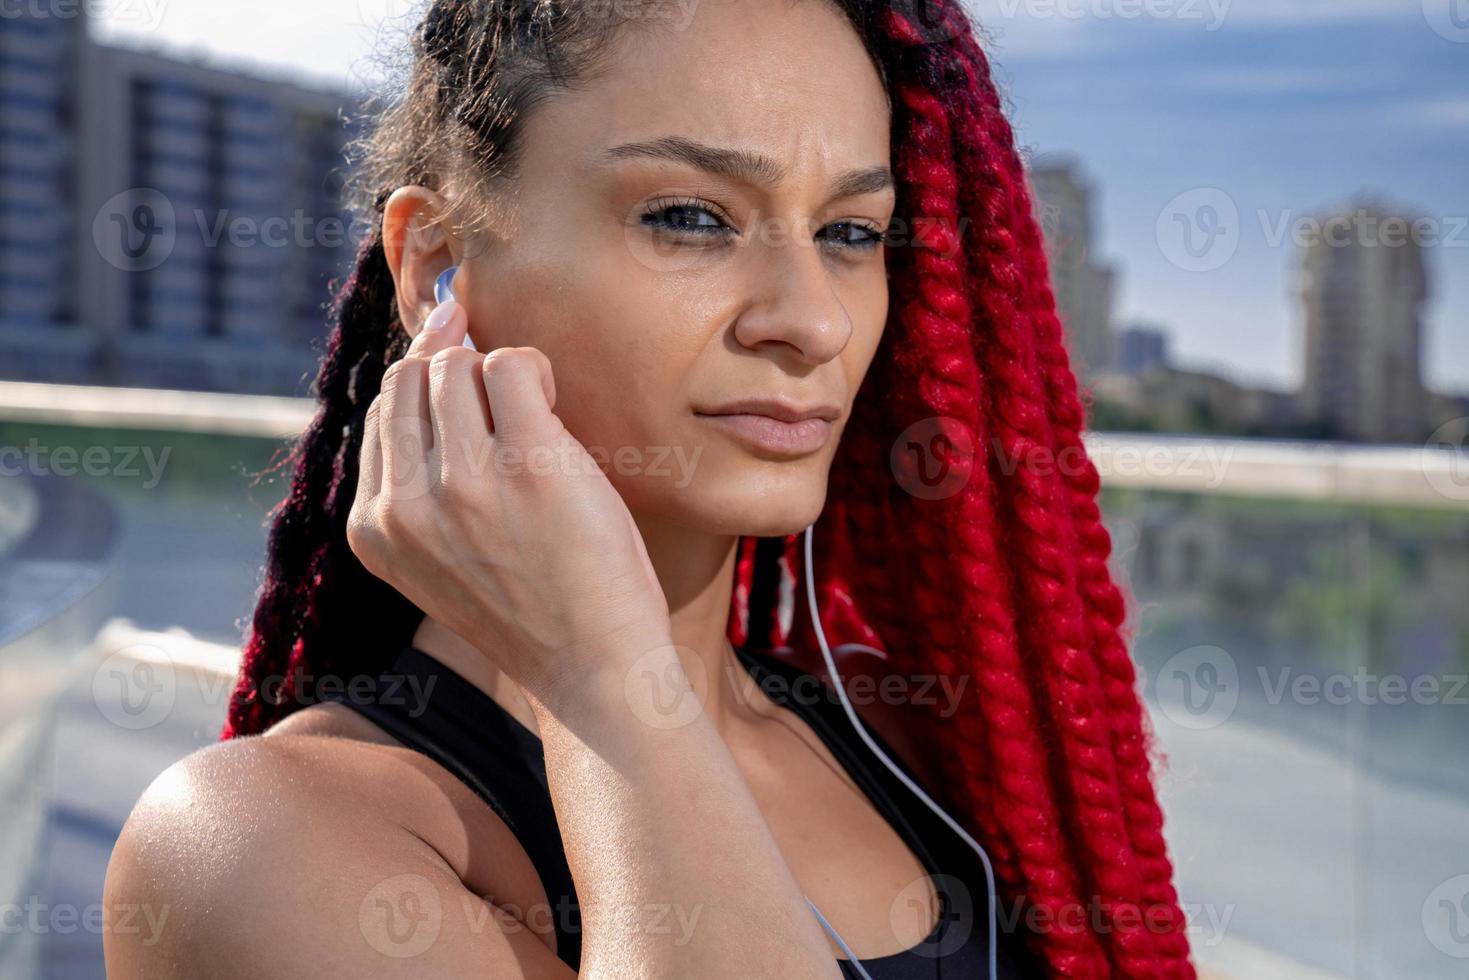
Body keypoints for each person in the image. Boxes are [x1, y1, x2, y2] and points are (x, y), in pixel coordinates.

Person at [104, 1, 1197, 977]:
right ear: (437, 263)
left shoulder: (901, 736)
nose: (810, 321)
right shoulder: (261, 844)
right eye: (691, 216)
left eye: (850, 233)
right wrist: (605, 679)